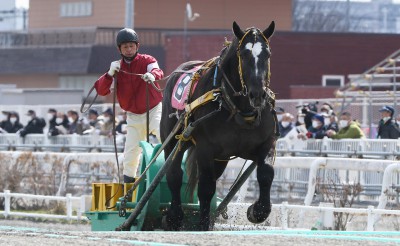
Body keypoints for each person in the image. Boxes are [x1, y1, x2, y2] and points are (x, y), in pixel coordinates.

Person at [94, 27, 164, 183]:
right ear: (119, 49)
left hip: (154, 110)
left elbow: (158, 71)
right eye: (125, 47)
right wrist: (109, 74)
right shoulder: (116, 67)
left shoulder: (148, 60)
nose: (129, 49)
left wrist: (152, 75)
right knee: (130, 153)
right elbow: (101, 90)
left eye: (131, 46)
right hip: (133, 116)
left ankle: (172, 171)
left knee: (162, 134)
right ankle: (129, 188)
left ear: (137, 46)